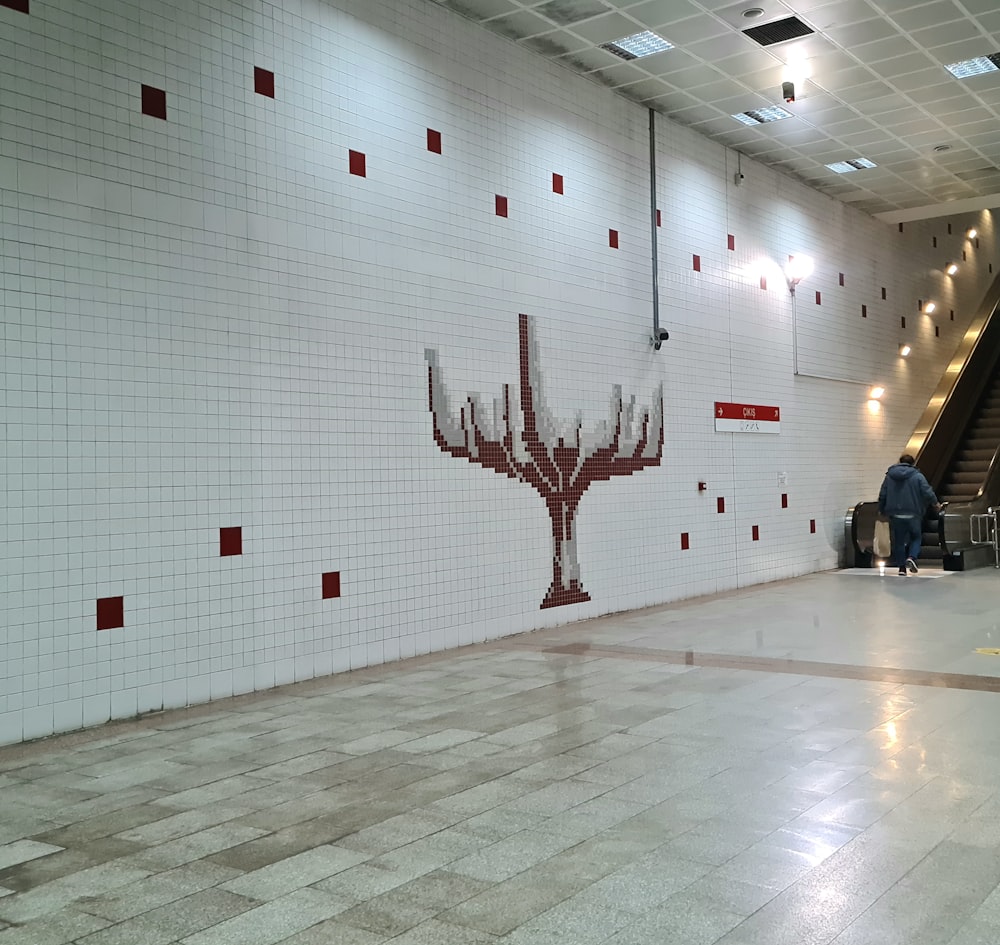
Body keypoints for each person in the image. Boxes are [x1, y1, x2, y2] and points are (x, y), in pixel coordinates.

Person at [877, 454, 941, 576]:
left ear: (899, 462)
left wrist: (881, 508)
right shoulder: (917, 476)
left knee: (899, 541)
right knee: (916, 537)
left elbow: (883, 494)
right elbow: (927, 491)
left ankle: (901, 568)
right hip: (913, 512)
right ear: (913, 463)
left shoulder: (890, 476)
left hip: (895, 514)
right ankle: (911, 557)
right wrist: (935, 503)